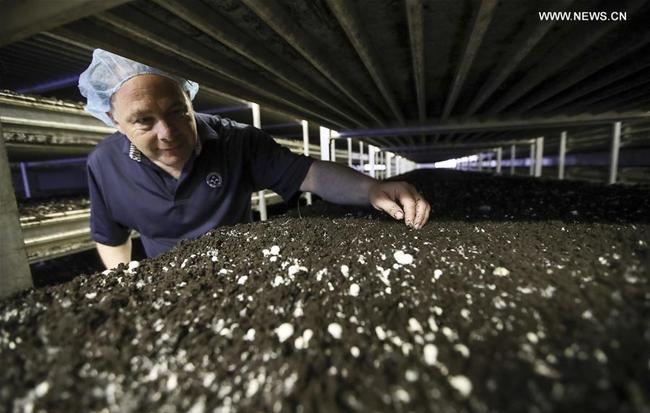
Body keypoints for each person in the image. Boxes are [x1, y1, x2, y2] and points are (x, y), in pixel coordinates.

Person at [79, 49, 431, 269]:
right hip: (171, 283)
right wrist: (123, 284)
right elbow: (111, 237)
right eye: (144, 121)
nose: (167, 133)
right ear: (116, 122)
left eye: (177, 112)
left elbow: (309, 174)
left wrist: (372, 189)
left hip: (246, 271)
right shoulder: (104, 165)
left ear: (190, 99)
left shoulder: (236, 140)